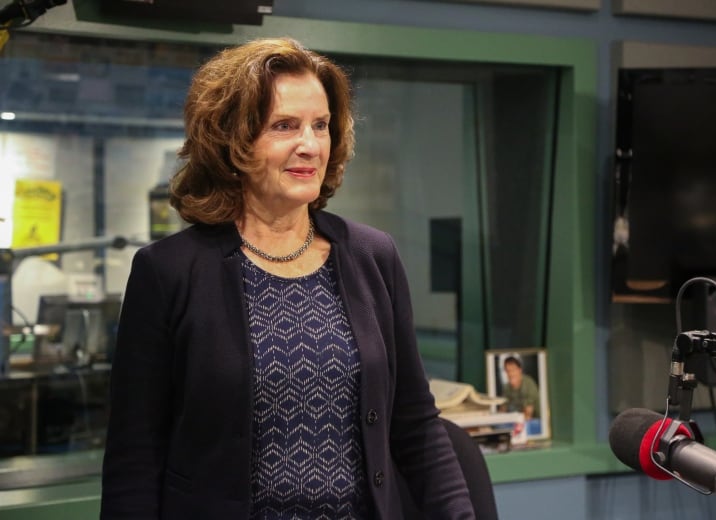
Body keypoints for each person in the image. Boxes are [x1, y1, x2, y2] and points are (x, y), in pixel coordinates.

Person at [99, 37, 476, 520]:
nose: (310, 145)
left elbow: (416, 426)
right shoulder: (168, 271)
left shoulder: (372, 256)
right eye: (284, 126)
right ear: (232, 142)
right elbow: (135, 455)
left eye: (321, 125)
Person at [500, 356, 540, 420]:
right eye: (507, 371)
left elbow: (528, 414)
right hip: (516, 421)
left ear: (520, 370)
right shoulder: (507, 387)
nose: (510, 374)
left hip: (535, 421)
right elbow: (503, 410)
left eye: (513, 370)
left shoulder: (528, 383)